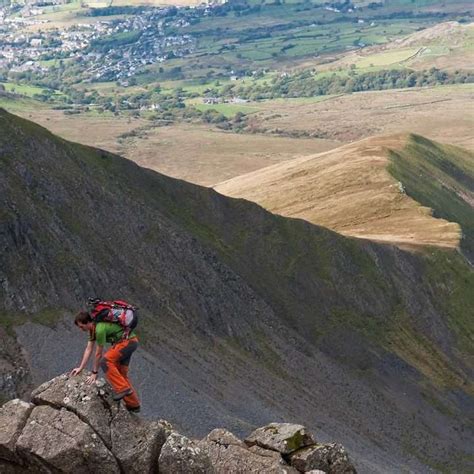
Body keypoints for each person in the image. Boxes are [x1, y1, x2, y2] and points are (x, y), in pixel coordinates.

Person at [70, 311, 141, 413]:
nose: (81, 329)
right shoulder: (93, 330)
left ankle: (123, 389)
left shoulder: (99, 329)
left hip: (127, 343)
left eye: (81, 326)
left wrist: (95, 373)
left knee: (106, 361)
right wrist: (80, 367)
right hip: (129, 342)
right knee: (121, 374)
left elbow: (98, 353)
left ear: (87, 322)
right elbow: (89, 349)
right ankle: (134, 405)